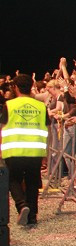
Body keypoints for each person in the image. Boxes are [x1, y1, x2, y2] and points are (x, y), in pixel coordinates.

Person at [1, 74, 49, 228]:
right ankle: (33, 216)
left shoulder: (10, 105)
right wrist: (45, 153)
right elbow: (47, 129)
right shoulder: (41, 106)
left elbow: (2, 128)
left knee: (13, 180)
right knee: (32, 183)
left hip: (14, 149)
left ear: (15, 87)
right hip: (35, 150)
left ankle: (22, 205)